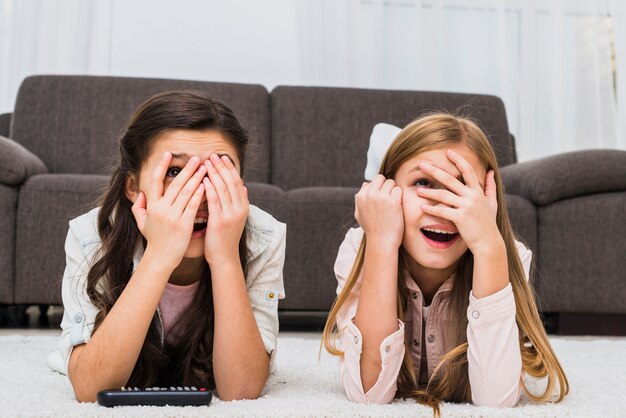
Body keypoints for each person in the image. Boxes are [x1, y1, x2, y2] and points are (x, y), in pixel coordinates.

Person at [47, 91, 286, 402]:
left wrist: (226, 258)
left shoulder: (263, 236)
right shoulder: (90, 235)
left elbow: (241, 391)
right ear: (133, 188)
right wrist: (159, 256)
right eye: (175, 172)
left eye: (217, 174)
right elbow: (91, 389)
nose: (198, 194)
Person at [322, 113, 568, 414]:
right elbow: (368, 395)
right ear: (386, 191)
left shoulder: (504, 255)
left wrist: (489, 247)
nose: (442, 209)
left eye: (461, 189)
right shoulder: (362, 247)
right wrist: (382, 244)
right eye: (423, 183)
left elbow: (496, 402)